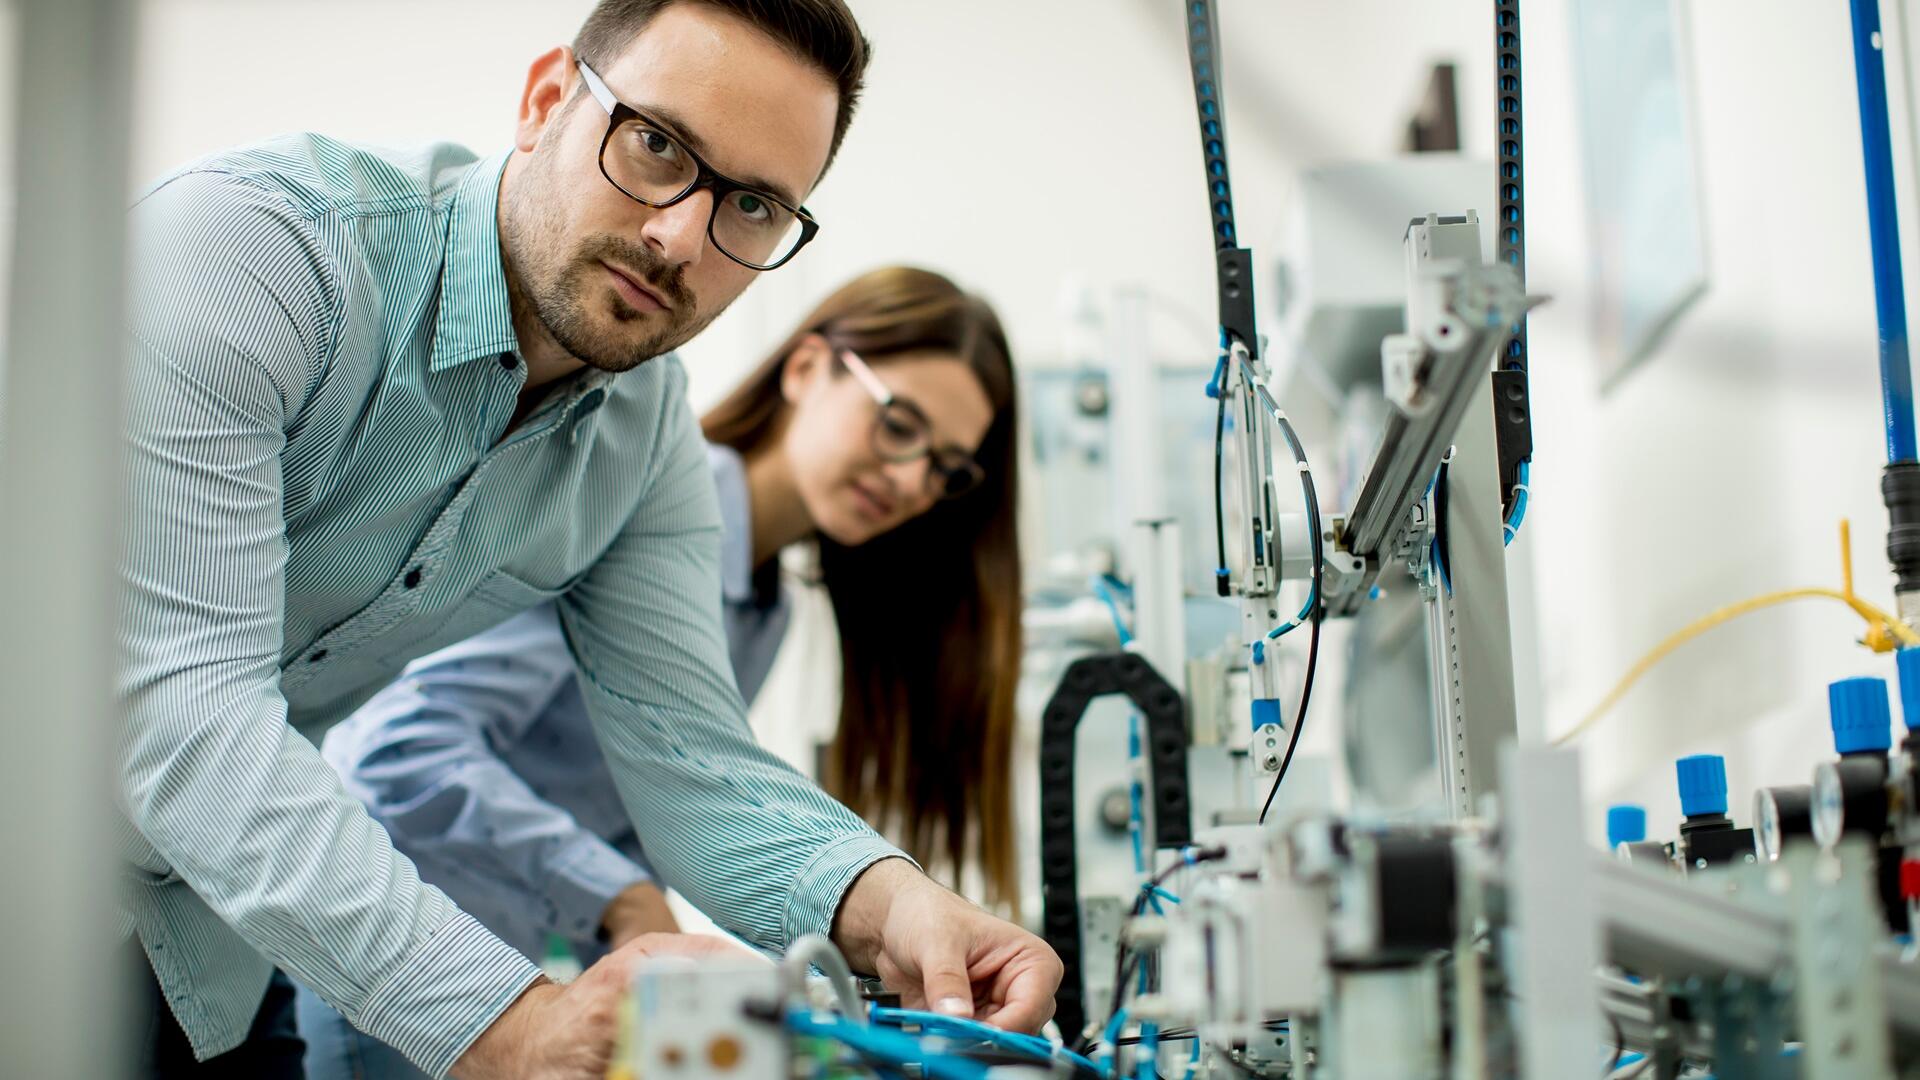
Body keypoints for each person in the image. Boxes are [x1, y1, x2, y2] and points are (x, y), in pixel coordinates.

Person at [115, 1, 1061, 1077]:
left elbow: (691, 759)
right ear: (544, 102)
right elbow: (185, 710)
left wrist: (897, 903)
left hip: (212, 953)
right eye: (656, 146)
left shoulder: (644, 435)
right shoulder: (256, 255)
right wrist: (507, 1018)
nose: (678, 238)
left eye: (751, 206)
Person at [296, 264, 1025, 1079]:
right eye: (899, 425)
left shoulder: (765, 605)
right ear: (808, 368)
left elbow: (675, 807)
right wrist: (619, 899)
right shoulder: (637, 508)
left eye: (945, 468)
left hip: (516, 986)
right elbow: (400, 746)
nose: (909, 478)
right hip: (405, 978)